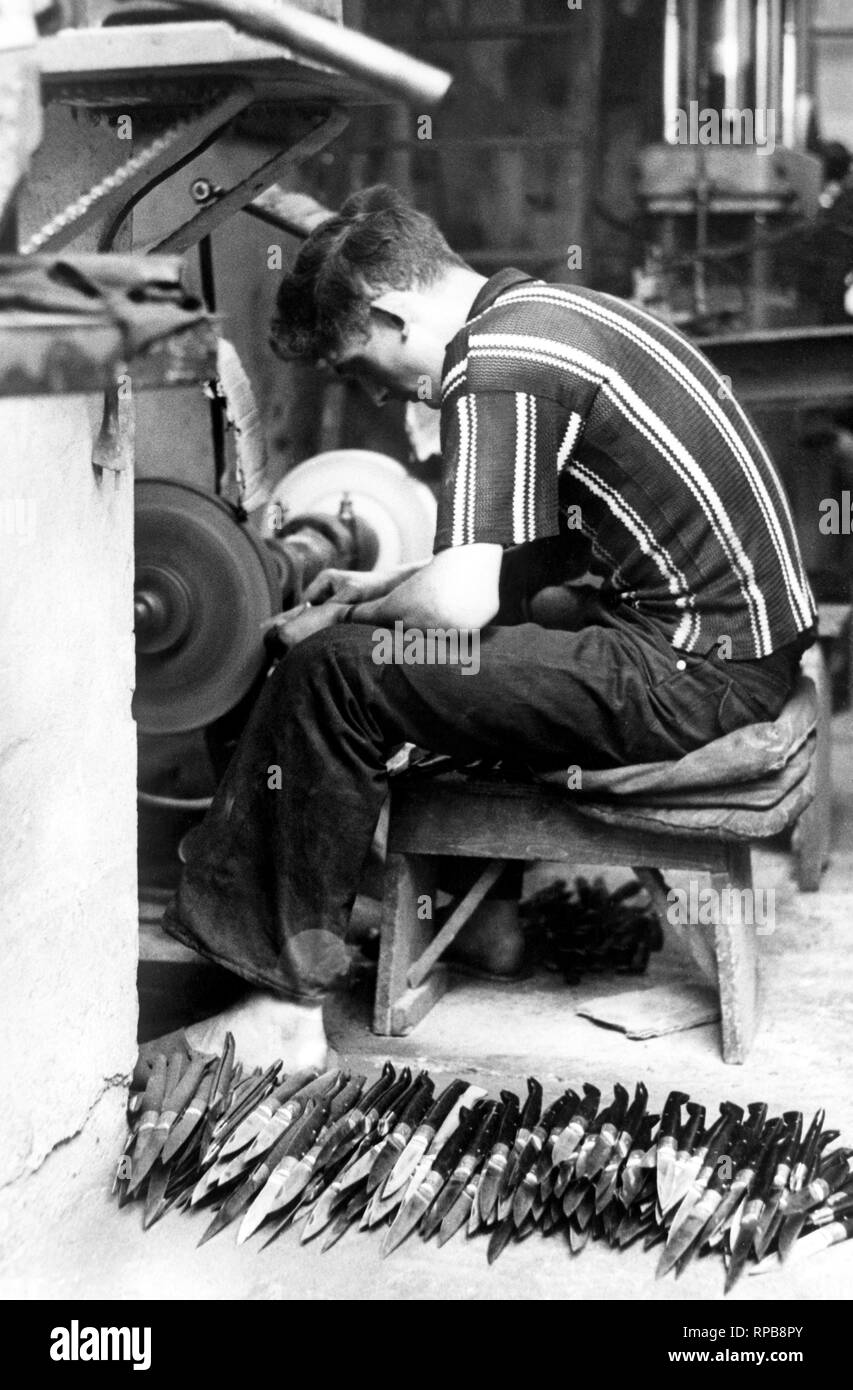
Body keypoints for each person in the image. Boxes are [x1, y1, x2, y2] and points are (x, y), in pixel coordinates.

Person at [164, 184, 817, 1069]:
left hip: (691, 677)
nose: (387, 400)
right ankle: (488, 927)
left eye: (361, 368)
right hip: (734, 652)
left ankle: (278, 1011)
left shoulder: (495, 364)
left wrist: (356, 614)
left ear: (394, 314)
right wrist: (387, 581)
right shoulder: (544, 313)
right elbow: (536, 557)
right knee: (478, 634)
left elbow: (459, 603)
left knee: (336, 673)